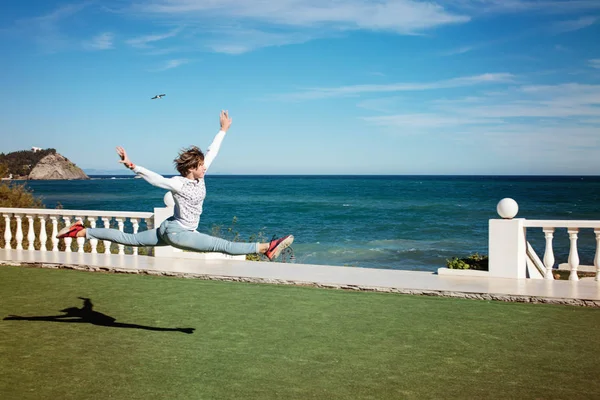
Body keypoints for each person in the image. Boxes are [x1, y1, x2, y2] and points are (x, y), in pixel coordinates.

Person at [57, 110, 293, 261]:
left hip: (169, 227)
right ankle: (266, 248)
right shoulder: (178, 183)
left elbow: (212, 152)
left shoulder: (199, 175)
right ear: (191, 168)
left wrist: (222, 131)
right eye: (201, 165)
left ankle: (81, 230)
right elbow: (155, 179)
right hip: (178, 232)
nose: (205, 168)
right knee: (221, 245)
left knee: (130, 239)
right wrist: (132, 165)